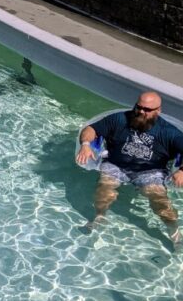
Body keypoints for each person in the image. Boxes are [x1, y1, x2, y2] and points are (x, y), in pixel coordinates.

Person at [76, 92, 183, 246]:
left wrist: (182, 170)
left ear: (158, 110)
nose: (141, 112)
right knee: (105, 187)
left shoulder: (168, 132)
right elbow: (91, 129)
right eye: (138, 107)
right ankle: (99, 217)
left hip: (150, 170)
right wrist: (85, 145)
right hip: (116, 165)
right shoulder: (120, 119)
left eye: (147, 110)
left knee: (158, 198)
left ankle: (175, 233)